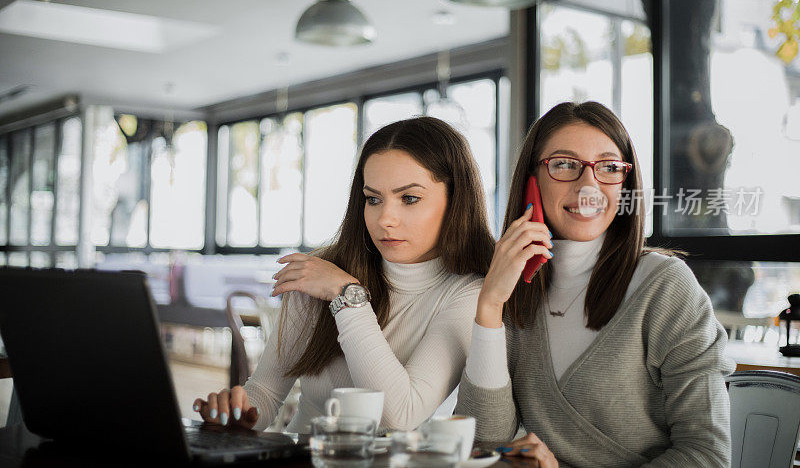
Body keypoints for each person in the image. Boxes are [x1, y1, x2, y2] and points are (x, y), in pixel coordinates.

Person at [455, 101, 735, 467]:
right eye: (565, 165)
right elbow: (483, 444)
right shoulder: (512, 286)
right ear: (532, 179)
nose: (589, 185)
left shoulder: (665, 287)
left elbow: (707, 456)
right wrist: (490, 305)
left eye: (608, 168)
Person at [193, 116, 494, 433]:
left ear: (456, 201)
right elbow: (266, 394)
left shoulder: (471, 293)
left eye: (409, 198)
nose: (385, 219)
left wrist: (347, 296)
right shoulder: (319, 274)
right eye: (373, 199)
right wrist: (237, 412)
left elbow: (398, 416)